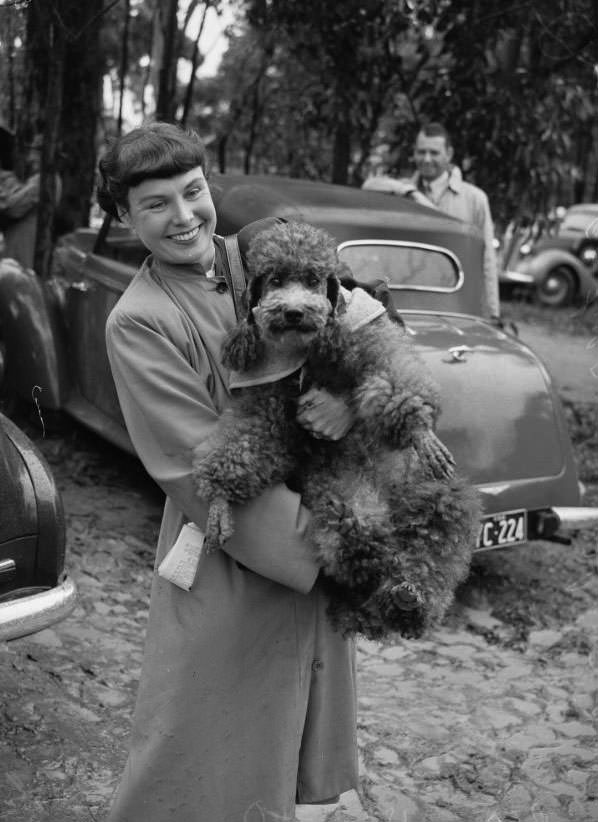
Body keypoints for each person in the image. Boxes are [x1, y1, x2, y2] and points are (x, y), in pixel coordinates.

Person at [98, 122, 360, 822]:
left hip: (315, 535)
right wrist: (330, 547)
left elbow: (358, 311)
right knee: (201, 749)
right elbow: (192, 462)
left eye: (192, 192)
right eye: (155, 204)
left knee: (291, 755)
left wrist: (351, 394)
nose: (184, 216)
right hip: (237, 555)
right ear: (124, 216)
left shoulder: (258, 255)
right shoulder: (140, 321)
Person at [362, 122, 500, 318]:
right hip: (408, 300)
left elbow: (487, 262)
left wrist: (493, 314)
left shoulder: (474, 199)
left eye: (434, 153)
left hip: (454, 303)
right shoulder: (402, 191)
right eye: (421, 152)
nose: (426, 159)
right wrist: (412, 192)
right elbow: (369, 185)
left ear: (449, 154)